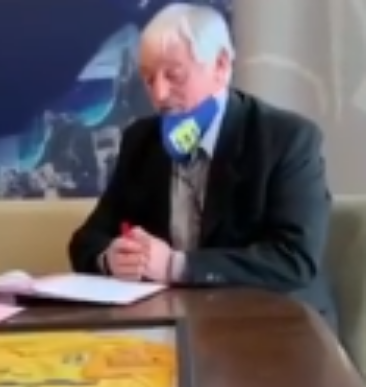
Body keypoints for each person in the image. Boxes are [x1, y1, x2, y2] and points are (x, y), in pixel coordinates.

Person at [68, 4, 338, 330]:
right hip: (176, 323)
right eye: (149, 78)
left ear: (221, 65)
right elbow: (87, 240)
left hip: (274, 324)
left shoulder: (286, 138)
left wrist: (177, 266)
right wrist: (112, 259)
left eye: (174, 75)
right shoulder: (142, 140)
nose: (159, 94)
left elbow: (294, 259)